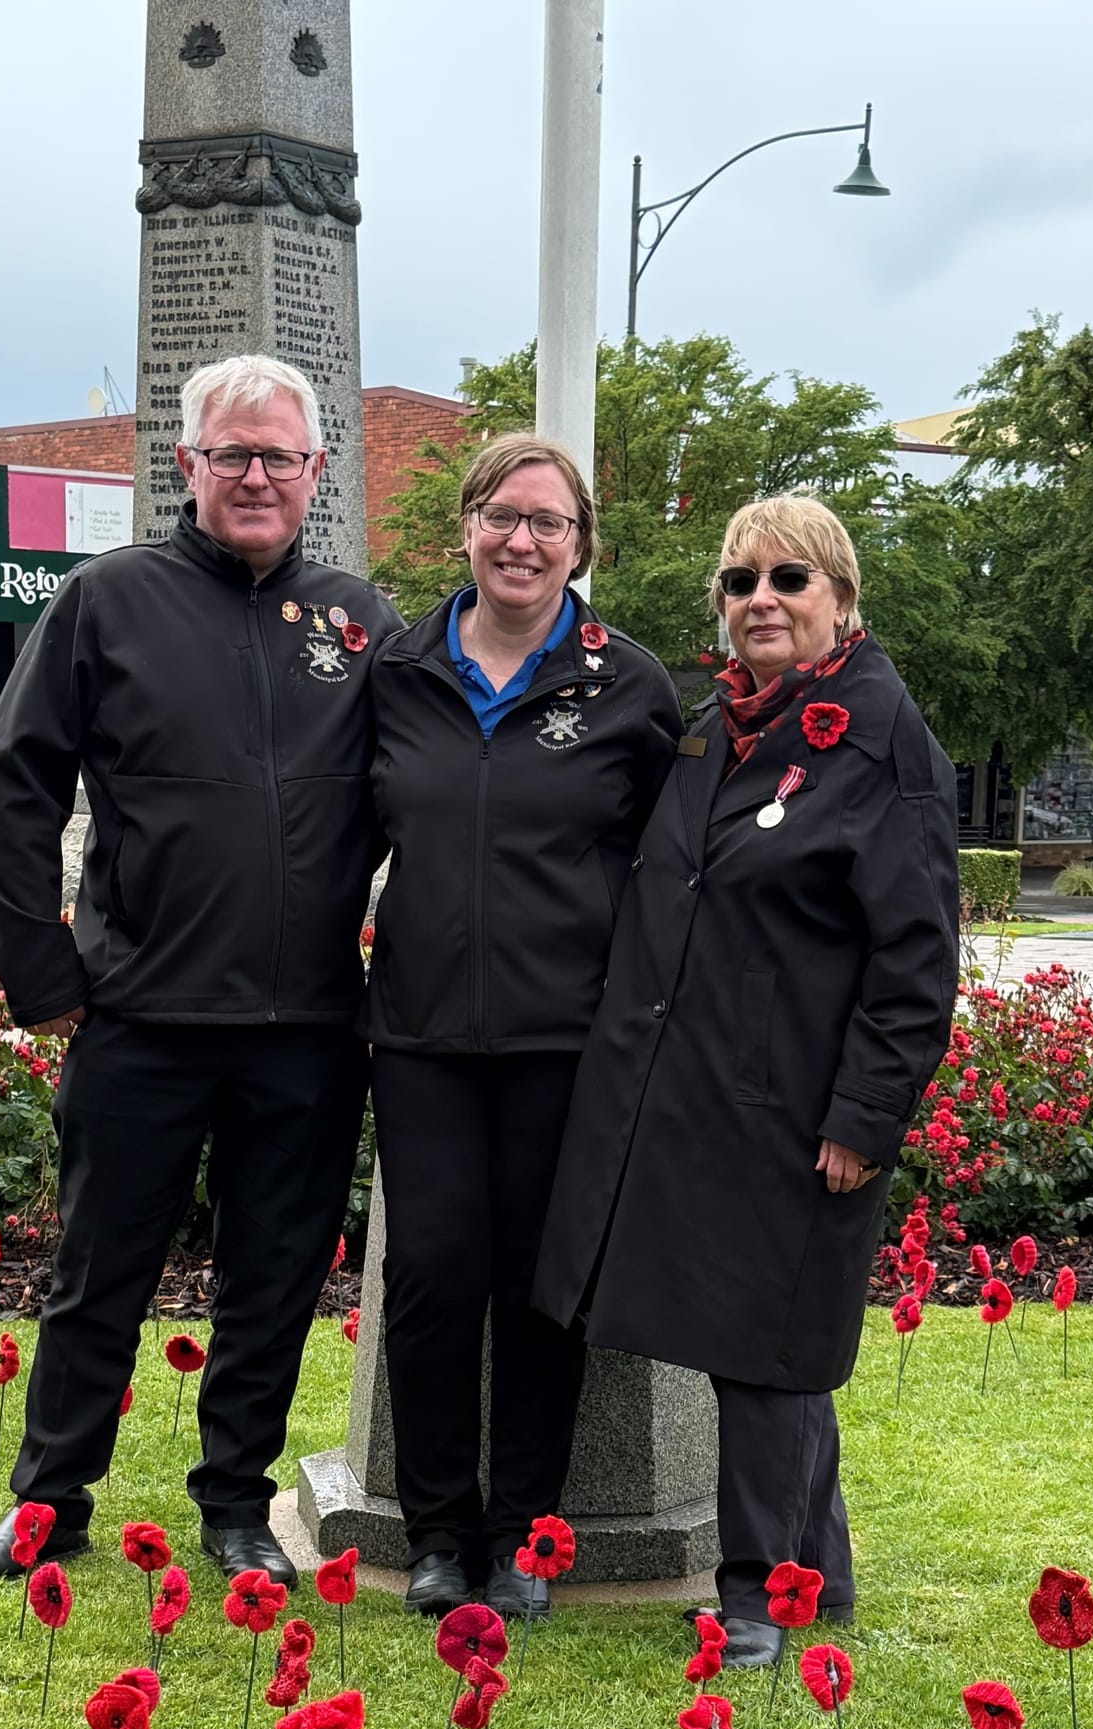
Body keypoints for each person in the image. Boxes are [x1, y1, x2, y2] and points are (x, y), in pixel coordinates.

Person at [0, 354, 400, 1589]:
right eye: (229, 454)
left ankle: (236, 1509)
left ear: (317, 472)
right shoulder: (104, 603)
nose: (255, 476)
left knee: (273, 1282)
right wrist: (39, 971)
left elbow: (443, 795)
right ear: (186, 466)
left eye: (280, 457)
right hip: (137, 1011)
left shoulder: (362, 624)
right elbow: (11, 787)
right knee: (98, 1271)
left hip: (306, 1026)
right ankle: (48, 1507)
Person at [533, 494, 959, 1665]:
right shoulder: (717, 726)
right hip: (693, 1093)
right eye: (739, 582)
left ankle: (756, 1603)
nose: (759, 601)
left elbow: (914, 958)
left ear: (840, 598)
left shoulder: (877, 737)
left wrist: (864, 1117)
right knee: (765, 1349)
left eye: (787, 580)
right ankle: (810, 1577)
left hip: (797, 1109)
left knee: (768, 1351)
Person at [366, 434, 682, 1616]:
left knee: (543, 1291)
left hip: (570, 1043)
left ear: (580, 546)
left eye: (548, 523)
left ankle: (524, 1538)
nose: (522, 540)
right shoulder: (394, 671)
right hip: (421, 1038)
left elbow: (669, 875)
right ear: (466, 526)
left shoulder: (629, 684)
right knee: (434, 1278)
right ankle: (440, 1534)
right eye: (503, 516)